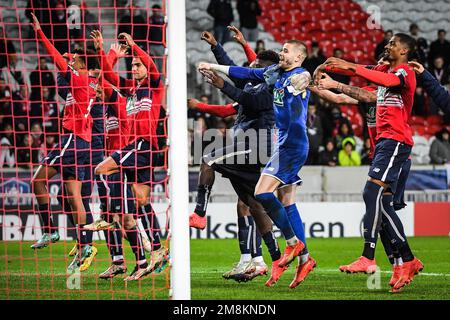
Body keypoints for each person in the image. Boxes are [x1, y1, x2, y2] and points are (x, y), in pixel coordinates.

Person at [199, 39, 315, 289]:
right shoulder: (274, 74)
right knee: (285, 202)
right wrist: (214, 62)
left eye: (287, 51)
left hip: (290, 147)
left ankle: (292, 245)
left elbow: (305, 77)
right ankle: (303, 258)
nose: (283, 53)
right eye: (281, 50)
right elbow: (247, 72)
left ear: (298, 58)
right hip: (281, 145)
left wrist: (307, 79)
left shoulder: (299, 74)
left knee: (260, 195)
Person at [319, 33, 423, 292]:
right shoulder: (386, 70)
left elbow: (377, 78)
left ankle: (368, 256)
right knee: (383, 204)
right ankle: (407, 260)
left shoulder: (404, 72)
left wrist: (348, 68)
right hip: (386, 144)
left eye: (393, 44)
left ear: (405, 51)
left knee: (371, 193)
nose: (388, 46)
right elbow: (366, 75)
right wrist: (334, 66)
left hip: (396, 140)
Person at [189, 27, 279, 283]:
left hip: (257, 145)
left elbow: (245, 102)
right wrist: (216, 46)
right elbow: (231, 67)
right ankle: (273, 257)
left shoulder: (269, 90)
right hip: (249, 145)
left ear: (264, 69)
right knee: (252, 203)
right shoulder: (253, 82)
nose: (250, 67)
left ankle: (199, 213)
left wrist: (221, 85)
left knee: (207, 158)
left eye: (255, 65)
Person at [92, 30, 168, 281]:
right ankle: (157, 250)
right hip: (138, 148)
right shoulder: (131, 90)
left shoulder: (155, 85)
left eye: (137, 65)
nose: (134, 68)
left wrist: (135, 48)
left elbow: (152, 66)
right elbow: (108, 75)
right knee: (142, 201)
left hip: (143, 145)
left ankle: (108, 213)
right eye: (133, 65)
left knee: (101, 169)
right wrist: (107, 51)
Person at [29, 14, 97, 274]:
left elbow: (56, 57)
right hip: (82, 141)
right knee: (74, 196)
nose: (71, 59)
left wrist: (39, 31)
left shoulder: (79, 78)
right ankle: (84, 247)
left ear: (80, 62)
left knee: (37, 180)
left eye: (75, 58)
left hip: (71, 139)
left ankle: (49, 232)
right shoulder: (89, 81)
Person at [148, 4, 166, 73]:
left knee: (161, 65)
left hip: (161, 45)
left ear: (160, 11)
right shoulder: (150, 19)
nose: (155, 12)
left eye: (157, 11)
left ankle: (160, 81)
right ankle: (154, 81)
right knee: (153, 65)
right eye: (154, 11)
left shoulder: (163, 20)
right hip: (152, 45)